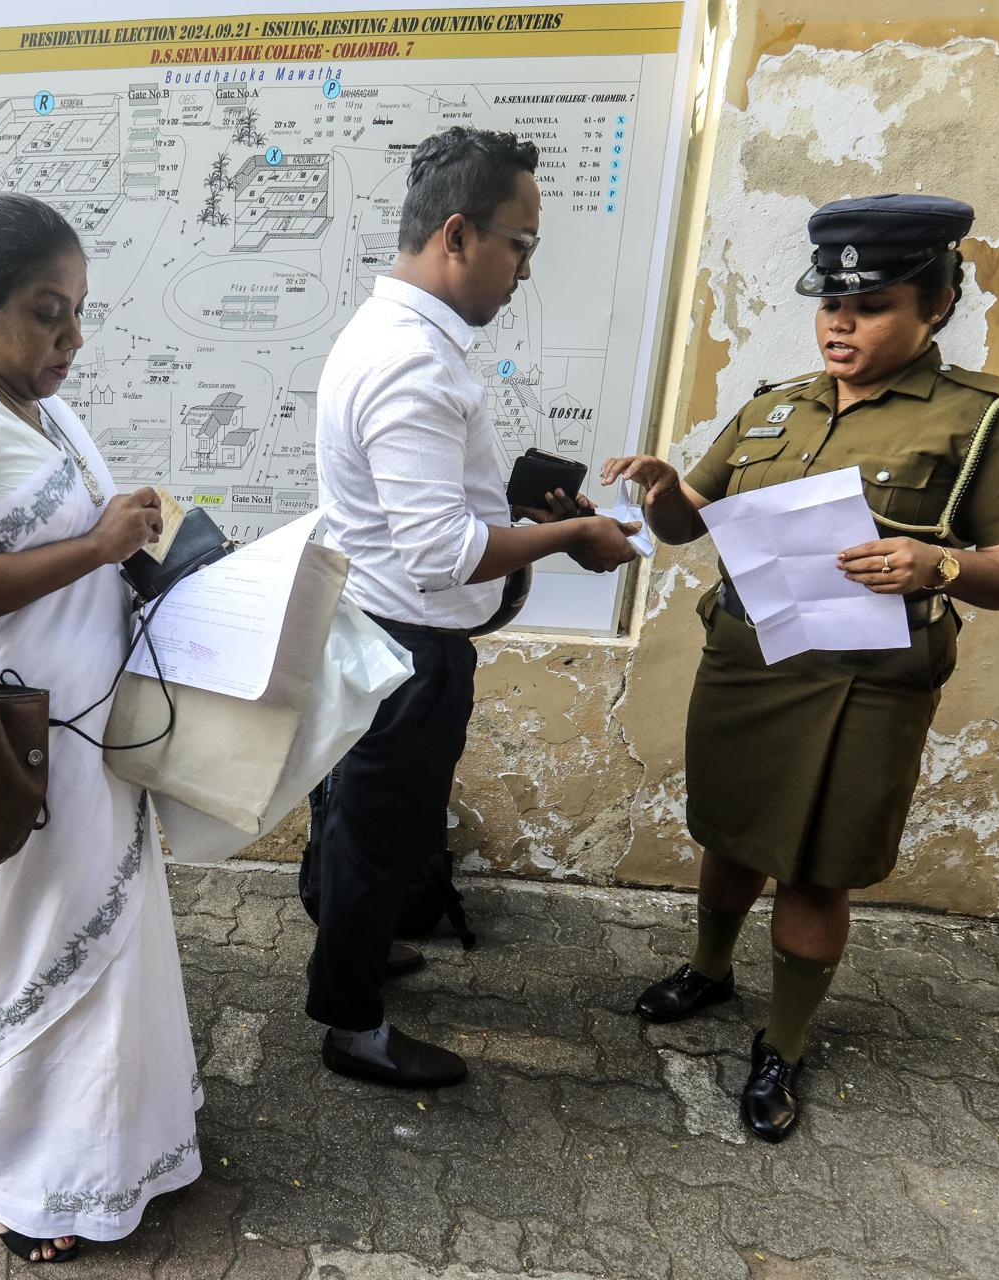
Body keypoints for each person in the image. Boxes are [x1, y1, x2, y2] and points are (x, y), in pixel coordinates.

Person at [605, 195, 999, 1142]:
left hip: (861, 686)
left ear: (936, 307)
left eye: (874, 305)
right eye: (830, 304)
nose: (841, 323)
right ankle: (709, 969)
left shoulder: (982, 418)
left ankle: (783, 1040)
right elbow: (686, 520)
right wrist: (660, 491)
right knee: (731, 834)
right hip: (745, 661)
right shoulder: (774, 404)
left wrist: (941, 562)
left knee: (816, 871)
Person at [0, 193, 198, 1264]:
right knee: (29, 947)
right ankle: (25, 1174)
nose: (72, 338)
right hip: (10, 737)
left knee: (109, 937)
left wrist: (138, 543)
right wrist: (100, 546)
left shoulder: (41, 408)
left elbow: (74, 541)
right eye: (49, 313)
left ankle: (119, 1153)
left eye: (79, 312)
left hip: (89, 730)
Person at [305, 127, 640, 1089]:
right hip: (408, 646)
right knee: (382, 833)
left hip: (379, 627)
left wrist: (520, 517)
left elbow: (434, 513)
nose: (526, 271)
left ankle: (352, 954)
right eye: (519, 245)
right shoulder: (414, 362)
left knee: (361, 822)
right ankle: (353, 1026)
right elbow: (440, 551)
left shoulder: (392, 335)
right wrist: (573, 538)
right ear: (457, 234)